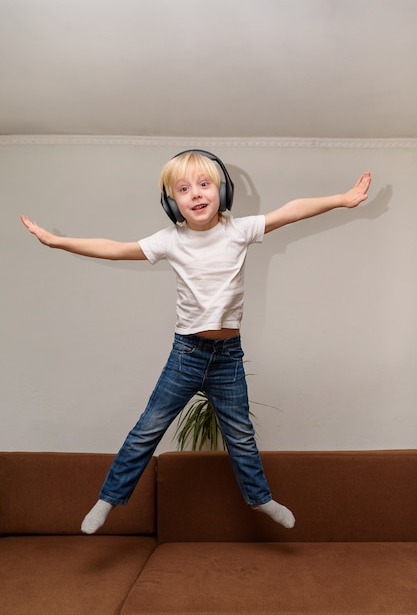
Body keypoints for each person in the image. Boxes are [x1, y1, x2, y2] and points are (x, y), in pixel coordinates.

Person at [21, 150, 371, 534]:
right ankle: (108, 499)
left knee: (240, 435)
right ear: (173, 202)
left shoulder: (239, 230)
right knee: (147, 429)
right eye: (184, 189)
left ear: (222, 190)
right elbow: (116, 249)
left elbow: (291, 210)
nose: (196, 194)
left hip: (228, 358)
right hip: (186, 354)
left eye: (204, 185)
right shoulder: (171, 240)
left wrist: (342, 199)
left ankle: (260, 499)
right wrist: (57, 242)